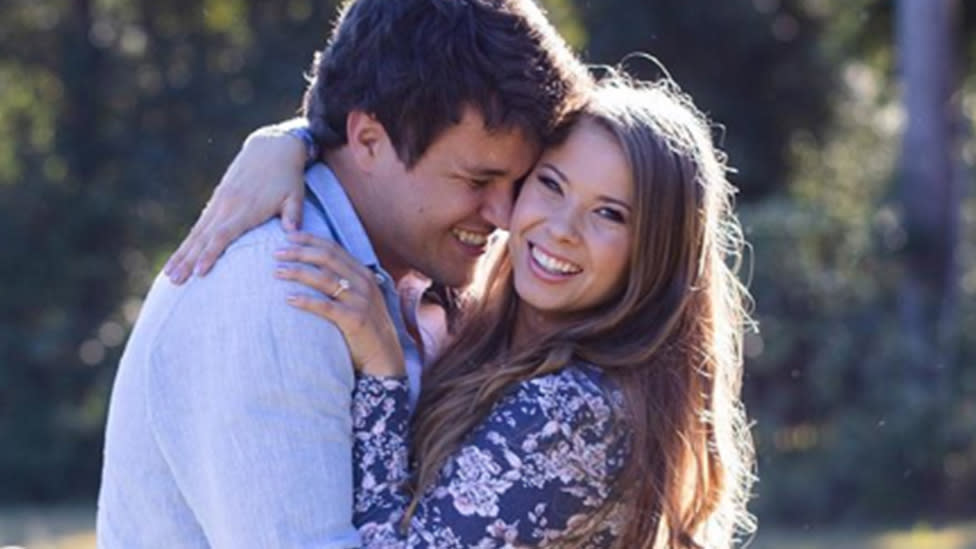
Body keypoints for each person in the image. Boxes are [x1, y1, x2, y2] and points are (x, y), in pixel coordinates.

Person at [170, 74, 757, 547]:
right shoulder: (488, 330)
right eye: (551, 184)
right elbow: (439, 135)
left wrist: (382, 372)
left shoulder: (576, 411)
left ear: (655, 250)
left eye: (610, 214)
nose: (561, 229)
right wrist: (289, 142)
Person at [96, 0, 588, 546]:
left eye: (519, 184)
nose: (504, 217)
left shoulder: (407, 271)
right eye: (478, 181)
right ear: (369, 141)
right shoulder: (283, 291)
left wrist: (295, 137)